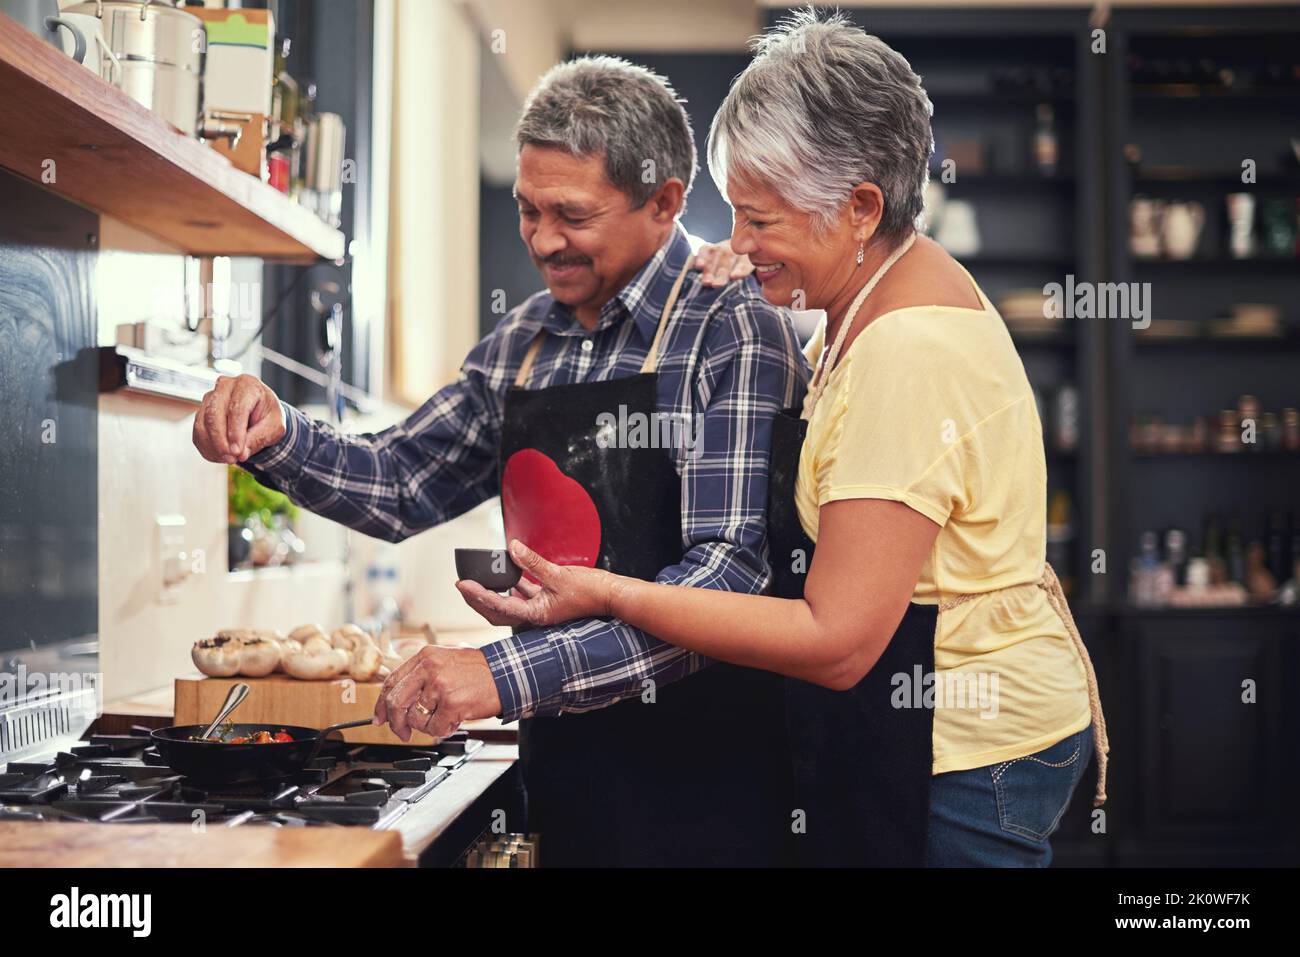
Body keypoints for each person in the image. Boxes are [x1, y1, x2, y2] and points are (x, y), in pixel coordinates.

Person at [453, 10, 1110, 868]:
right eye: (736, 215)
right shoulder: (876, 289)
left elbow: (835, 642)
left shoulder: (905, 350)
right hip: (932, 728)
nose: (738, 245)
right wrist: (765, 272)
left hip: (967, 754)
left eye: (761, 220)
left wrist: (608, 592)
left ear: (860, 207)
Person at [193, 55, 807, 867]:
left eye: (572, 214)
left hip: (709, 785)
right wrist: (277, 433)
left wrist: (504, 674)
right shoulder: (524, 341)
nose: (543, 241)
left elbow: (727, 581)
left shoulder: (731, 327)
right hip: (565, 769)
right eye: (527, 210)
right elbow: (403, 479)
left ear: (664, 202)